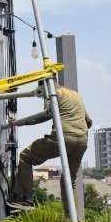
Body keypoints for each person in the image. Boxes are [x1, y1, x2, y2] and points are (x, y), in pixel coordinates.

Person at [10, 79, 92, 212]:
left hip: (63, 137)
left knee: (25, 157)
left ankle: (25, 198)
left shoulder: (52, 93)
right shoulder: (75, 94)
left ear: (44, 86)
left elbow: (45, 115)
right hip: (82, 140)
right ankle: (72, 218)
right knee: (68, 180)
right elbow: (88, 121)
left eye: (41, 93)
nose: (42, 96)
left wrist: (20, 122)